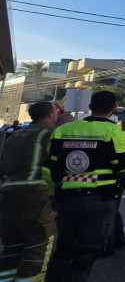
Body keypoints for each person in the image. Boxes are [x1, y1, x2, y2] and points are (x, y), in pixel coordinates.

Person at [45, 91, 125, 282]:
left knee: (63, 248)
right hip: (100, 198)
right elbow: (124, 164)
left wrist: (54, 192)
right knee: (86, 251)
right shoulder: (116, 131)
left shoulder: (63, 130)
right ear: (114, 108)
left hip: (66, 197)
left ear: (90, 107)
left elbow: (50, 166)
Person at [0, 101, 59, 282]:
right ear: (50, 115)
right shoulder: (49, 133)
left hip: (8, 190)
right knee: (39, 242)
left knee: (12, 245)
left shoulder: (15, 135)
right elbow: (55, 163)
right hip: (34, 192)